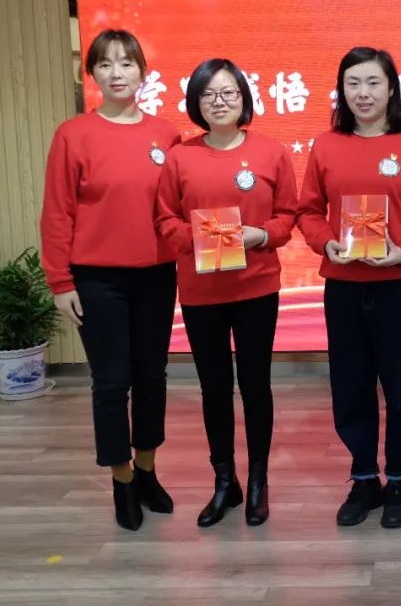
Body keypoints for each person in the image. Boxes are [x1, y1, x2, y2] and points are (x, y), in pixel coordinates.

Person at [296, 47, 401, 529]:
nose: (363, 93)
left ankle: (397, 480)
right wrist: (325, 243)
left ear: (392, 89)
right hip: (344, 287)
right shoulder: (326, 146)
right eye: (353, 83)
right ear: (341, 91)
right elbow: (308, 211)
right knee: (350, 388)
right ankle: (364, 478)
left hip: (399, 288)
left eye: (373, 82)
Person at [40, 29, 180, 531]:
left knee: (152, 377)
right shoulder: (73, 135)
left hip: (157, 275)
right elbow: (57, 213)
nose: (117, 73)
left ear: (143, 72)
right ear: (92, 74)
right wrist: (60, 282)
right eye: (105, 64)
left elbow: (179, 207)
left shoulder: (166, 135)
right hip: (96, 280)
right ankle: (121, 482)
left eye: (126, 63)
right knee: (112, 381)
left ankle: (147, 472)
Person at [156, 58, 297, 527]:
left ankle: (258, 481)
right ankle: (224, 482)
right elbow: (165, 219)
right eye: (209, 94)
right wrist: (197, 239)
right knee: (214, 388)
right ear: (196, 102)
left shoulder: (272, 153)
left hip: (256, 286)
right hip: (201, 292)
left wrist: (262, 235)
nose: (219, 102)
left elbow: (288, 216)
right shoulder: (180, 157)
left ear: (243, 98)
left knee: (256, 385)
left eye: (228, 93)